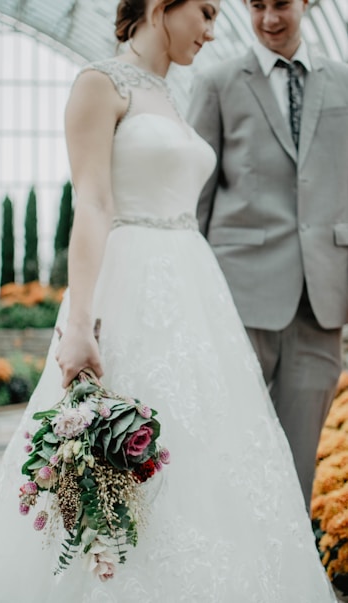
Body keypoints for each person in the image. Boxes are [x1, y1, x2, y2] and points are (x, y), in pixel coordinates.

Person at [0, 1, 337, 601]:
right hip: (128, 289)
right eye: (205, 13)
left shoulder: (169, 92)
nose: (213, 30)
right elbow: (93, 206)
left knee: (202, 461)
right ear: (162, 7)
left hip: (195, 295)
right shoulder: (97, 84)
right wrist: (79, 322)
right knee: (115, 456)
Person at [188, 0, 348, 510]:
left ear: (308, 4)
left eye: (281, 4)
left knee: (300, 460)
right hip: (240, 298)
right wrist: (192, 293)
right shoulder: (217, 83)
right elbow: (197, 198)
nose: (268, 19)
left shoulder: (345, 82)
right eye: (256, 6)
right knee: (234, 448)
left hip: (323, 301)